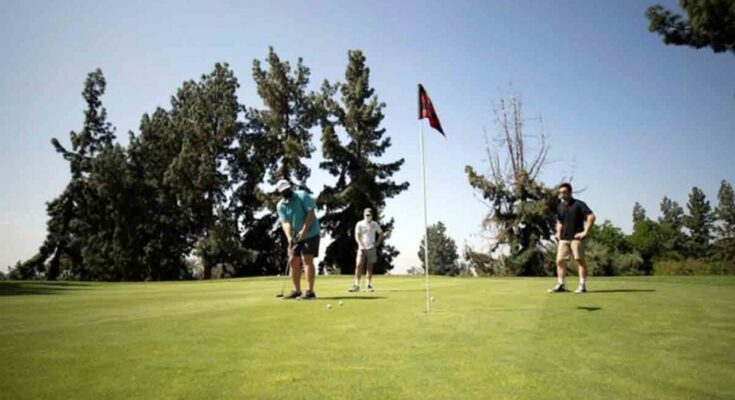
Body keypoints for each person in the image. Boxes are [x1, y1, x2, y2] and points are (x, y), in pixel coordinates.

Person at [276, 179, 320, 300]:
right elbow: (285, 222)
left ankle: (310, 292)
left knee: (307, 260)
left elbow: (311, 213)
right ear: (280, 193)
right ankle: (296, 290)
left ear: (290, 188)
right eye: (283, 191)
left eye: (287, 190)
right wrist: (289, 237)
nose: (286, 192)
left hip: (311, 232)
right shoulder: (280, 205)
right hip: (295, 235)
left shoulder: (302, 195)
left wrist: (304, 231)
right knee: (293, 261)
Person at [549, 182, 596, 294]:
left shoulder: (579, 204)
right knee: (559, 261)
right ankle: (561, 285)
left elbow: (591, 217)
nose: (562, 194)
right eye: (560, 192)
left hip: (576, 238)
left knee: (579, 260)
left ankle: (582, 285)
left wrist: (585, 232)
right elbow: (560, 221)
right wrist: (558, 233)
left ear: (570, 192)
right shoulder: (560, 206)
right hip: (564, 239)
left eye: (564, 192)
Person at [348, 208, 383, 293]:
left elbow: (381, 233)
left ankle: (368, 285)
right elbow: (357, 235)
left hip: (371, 247)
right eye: (366, 215)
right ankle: (356, 285)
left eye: (369, 215)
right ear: (364, 215)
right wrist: (360, 245)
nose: (368, 216)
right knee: (358, 265)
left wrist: (377, 242)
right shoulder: (359, 224)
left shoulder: (375, 224)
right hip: (361, 248)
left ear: (372, 215)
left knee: (369, 267)